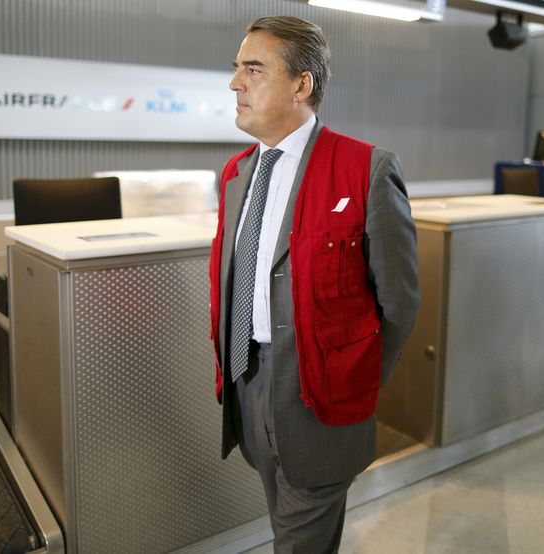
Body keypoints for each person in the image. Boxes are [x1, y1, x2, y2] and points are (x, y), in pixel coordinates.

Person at [208, 15, 420, 553]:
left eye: (253, 70)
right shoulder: (236, 174)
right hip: (247, 380)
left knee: (300, 539)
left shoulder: (365, 169)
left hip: (320, 394)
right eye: (236, 69)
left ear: (301, 85)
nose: (235, 83)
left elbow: (398, 302)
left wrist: (354, 379)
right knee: (289, 524)